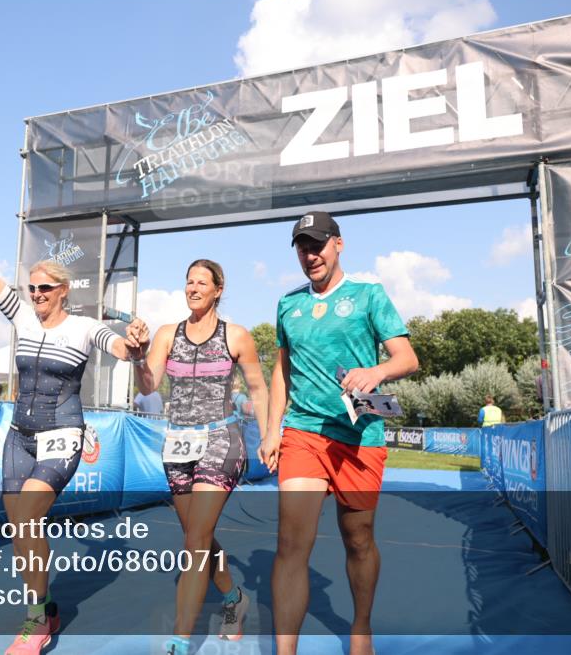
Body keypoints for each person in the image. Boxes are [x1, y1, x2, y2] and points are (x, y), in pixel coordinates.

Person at [0, 196, 146, 655]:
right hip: (19, 435)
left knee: (30, 511)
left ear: (63, 292)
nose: (35, 295)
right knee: (20, 526)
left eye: (44, 289)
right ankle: (45, 604)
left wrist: (136, 342)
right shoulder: (19, 315)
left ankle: (36, 622)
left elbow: (122, 352)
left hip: (63, 431)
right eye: (32, 288)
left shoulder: (84, 327)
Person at [260, 212, 418, 655]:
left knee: (358, 538)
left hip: (358, 436)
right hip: (304, 434)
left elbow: (407, 357)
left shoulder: (369, 295)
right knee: (291, 544)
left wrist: (377, 371)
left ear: (338, 245)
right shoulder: (288, 305)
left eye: (317, 245)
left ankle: (361, 625)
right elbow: (282, 371)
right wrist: (273, 430)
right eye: (302, 247)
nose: (310, 255)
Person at [129, 259, 269, 655]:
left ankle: (179, 640)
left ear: (218, 289)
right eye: (188, 281)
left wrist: (270, 435)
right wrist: (139, 356)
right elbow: (149, 385)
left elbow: (258, 389)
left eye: (201, 282)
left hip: (221, 440)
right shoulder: (167, 334)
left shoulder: (236, 336)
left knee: (194, 542)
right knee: (199, 537)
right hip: (177, 444)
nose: (192, 288)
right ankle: (233, 597)